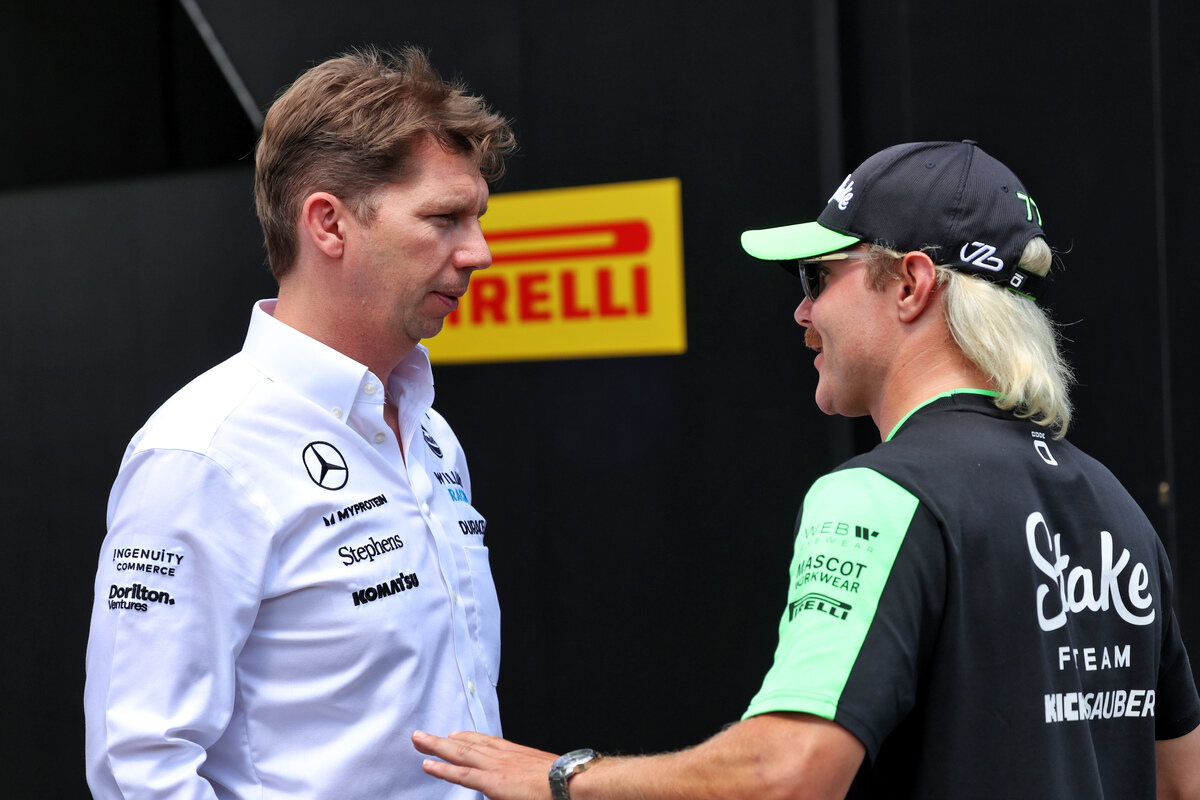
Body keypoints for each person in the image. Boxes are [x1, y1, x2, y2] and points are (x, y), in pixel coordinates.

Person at [412, 141, 1200, 798]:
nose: (802, 312)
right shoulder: (1113, 503)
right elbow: (1178, 782)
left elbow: (793, 771)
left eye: (818, 277)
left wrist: (564, 777)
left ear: (911, 284)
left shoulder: (881, 494)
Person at [85, 46, 515, 799]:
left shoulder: (430, 432)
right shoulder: (203, 452)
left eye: (476, 217)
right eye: (445, 218)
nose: (479, 252)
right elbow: (139, 769)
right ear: (329, 224)